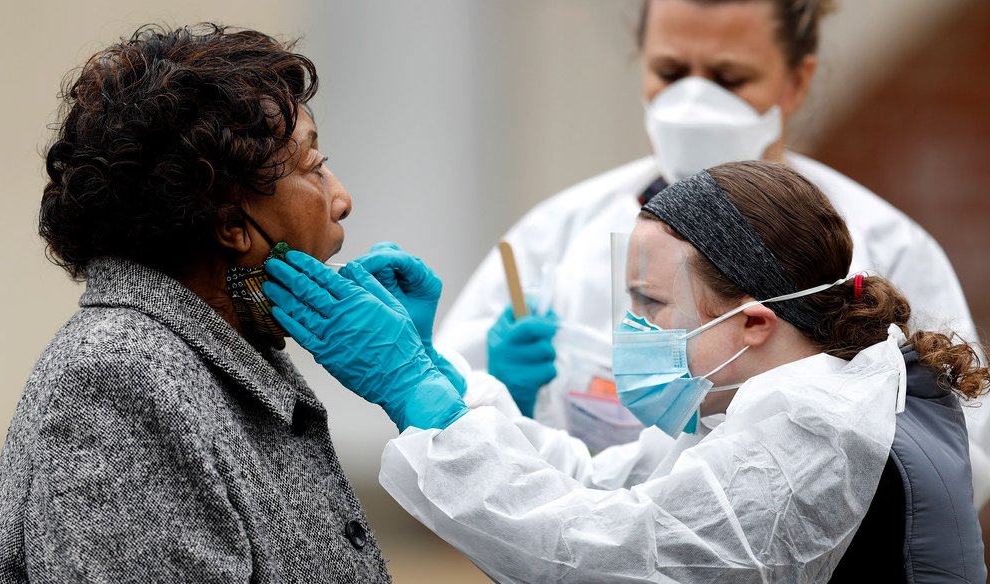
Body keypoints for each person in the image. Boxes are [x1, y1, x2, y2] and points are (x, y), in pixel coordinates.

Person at [263, 161, 987, 582]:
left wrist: (412, 393)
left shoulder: (815, 430)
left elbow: (609, 553)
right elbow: (599, 484)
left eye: (650, 303)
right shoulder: (804, 392)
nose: (630, 330)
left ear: (755, 322)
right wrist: (439, 375)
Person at [435, 0, 989, 493]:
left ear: (796, 81)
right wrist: (507, 398)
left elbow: (962, 457)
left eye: (730, 78)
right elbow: (464, 431)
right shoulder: (555, 235)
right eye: (670, 72)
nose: (693, 101)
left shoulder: (884, 246)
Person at [0, 24, 391, 582]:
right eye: (314, 167)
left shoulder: (212, 355)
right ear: (230, 225)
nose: (341, 199)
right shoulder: (119, 377)